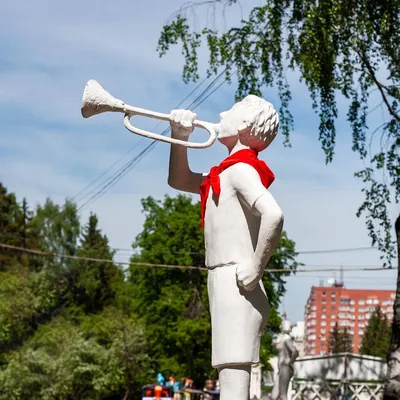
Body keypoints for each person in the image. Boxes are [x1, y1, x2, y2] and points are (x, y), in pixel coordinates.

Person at [168, 95, 283, 400]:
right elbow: (179, 180)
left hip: (235, 280)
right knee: (229, 380)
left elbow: (274, 215)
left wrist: (254, 268)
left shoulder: (241, 170)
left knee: (233, 387)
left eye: (230, 111)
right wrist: (178, 137)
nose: (221, 113)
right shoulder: (226, 172)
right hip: (224, 280)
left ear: (244, 124)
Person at [271, 319, 299, 400]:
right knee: (274, 396)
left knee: (283, 395)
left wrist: (289, 362)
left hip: (285, 368)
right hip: (281, 370)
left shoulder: (287, 339)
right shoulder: (283, 338)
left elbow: (295, 352)